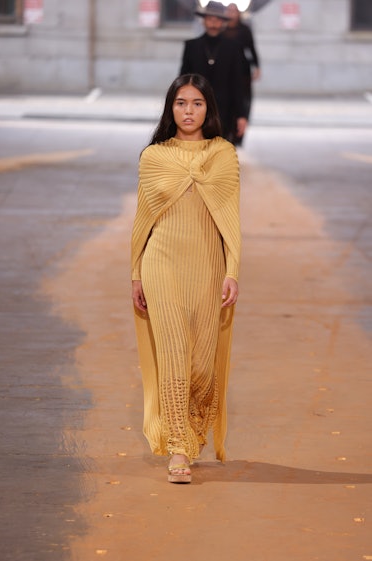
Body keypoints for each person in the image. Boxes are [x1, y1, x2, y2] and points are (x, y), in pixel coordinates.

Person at [131, 73, 241, 484]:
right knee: (174, 356)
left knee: (201, 367)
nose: (188, 111)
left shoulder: (223, 154)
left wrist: (233, 270)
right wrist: (135, 274)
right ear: (170, 108)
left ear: (208, 108)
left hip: (209, 267)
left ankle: (193, 430)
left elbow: (231, 219)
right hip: (161, 264)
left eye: (196, 103)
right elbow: (143, 219)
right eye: (180, 103)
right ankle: (179, 448)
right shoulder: (153, 156)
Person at [180, 1, 247, 145]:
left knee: (220, 153)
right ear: (204, 21)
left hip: (225, 110)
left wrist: (241, 115)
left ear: (223, 22)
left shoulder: (233, 48)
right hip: (196, 108)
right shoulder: (191, 46)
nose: (213, 23)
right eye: (210, 18)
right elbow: (183, 80)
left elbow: (237, 83)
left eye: (217, 19)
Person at [223, 2, 261, 145]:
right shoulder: (221, 29)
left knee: (243, 101)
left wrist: (257, 67)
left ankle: (238, 134)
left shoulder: (244, 30)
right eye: (229, 10)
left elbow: (251, 49)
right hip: (224, 70)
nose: (231, 13)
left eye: (234, 10)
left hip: (242, 71)